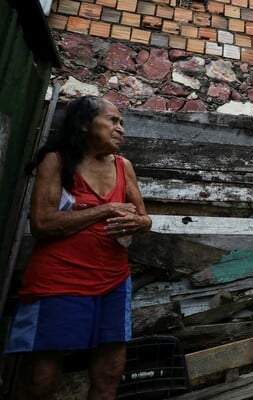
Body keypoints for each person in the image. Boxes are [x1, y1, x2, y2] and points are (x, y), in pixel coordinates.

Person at [4, 96, 152, 400]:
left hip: (113, 280)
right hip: (58, 280)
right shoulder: (56, 161)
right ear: (85, 124)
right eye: (112, 120)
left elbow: (144, 216)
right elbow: (42, 224)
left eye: (121, 122)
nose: (120, 128)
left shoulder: (124, 166)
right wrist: (105, 209)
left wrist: (140, 223)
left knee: (110, 373)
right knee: (40, 381)